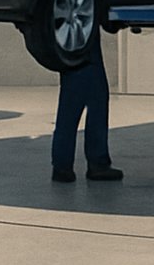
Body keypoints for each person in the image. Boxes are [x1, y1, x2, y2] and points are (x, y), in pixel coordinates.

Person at [50, 35, 123, 183]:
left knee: (69, 107)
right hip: (85, 49)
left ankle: (62, 166)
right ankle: (97, 163)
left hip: (69, 47)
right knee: (97, 102)